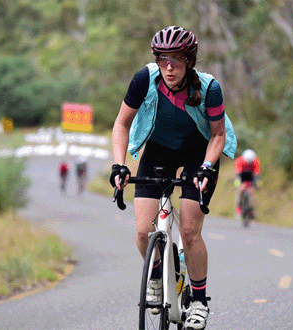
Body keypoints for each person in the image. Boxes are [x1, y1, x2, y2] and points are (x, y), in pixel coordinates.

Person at [110, 26, 237, 330]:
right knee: (143, 231)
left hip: (198, 152)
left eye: (176, 59)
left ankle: (200, 302)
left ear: (189, 61)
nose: (169, 66)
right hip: (159, 150)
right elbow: (121, 124)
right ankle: (156, 274)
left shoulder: (209, 88)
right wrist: (119, 165)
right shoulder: (145, 79)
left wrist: (207, 165)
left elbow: (218, 134)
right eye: (163, 58)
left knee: (191, 232)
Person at [234, 149, 261, 221]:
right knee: (240, 190)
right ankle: (239, 208)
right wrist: (238, 182)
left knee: (251, 192)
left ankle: (251, 209)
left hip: (250, 176)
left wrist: (257, 182)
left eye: (250, 162)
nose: (248, 163)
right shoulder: (239, 161)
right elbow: (238, 174)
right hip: (242, 176)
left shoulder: (255, 161)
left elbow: (257, 173)